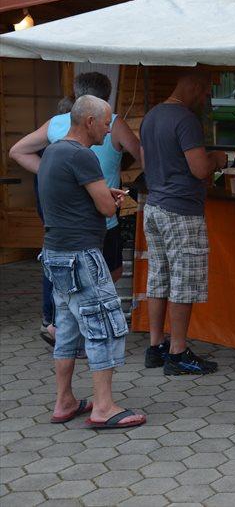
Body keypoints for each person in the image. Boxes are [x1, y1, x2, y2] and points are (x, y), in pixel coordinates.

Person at [38, 95, 146, 429]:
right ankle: (103, 407)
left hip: (55, 253)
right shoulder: (82, 155)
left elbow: (68, 196)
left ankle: (64, 401)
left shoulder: (54, 151)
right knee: (103, 327)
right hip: (82, 255)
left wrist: (100, 195)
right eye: (106, 123)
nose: (108, 129)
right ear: (89, 122)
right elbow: (105, 208)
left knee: (68, 329)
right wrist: (111, 200)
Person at [10, 71, 142, 346]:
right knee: (101, 272)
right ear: (105, 99)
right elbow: (141, 154)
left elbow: (17, 150)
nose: (106, 130)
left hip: (62, 217)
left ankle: (57, 326)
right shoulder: (114, 124)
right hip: (99, 218)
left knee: (63, 269)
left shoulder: (57, 123)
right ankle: (81, 330)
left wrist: (49, 171)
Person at [140, 70, 228, 375]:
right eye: (205, 93)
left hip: (154, 206)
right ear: (194, 87)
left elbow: (145, 162)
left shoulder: (151, 116)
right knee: (183, 280)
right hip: (181, 210)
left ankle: (155, 346)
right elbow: (199, 169)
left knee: (158, 277)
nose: (205, 99)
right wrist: (217, 159)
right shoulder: (185, 119)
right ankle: (178, 353)